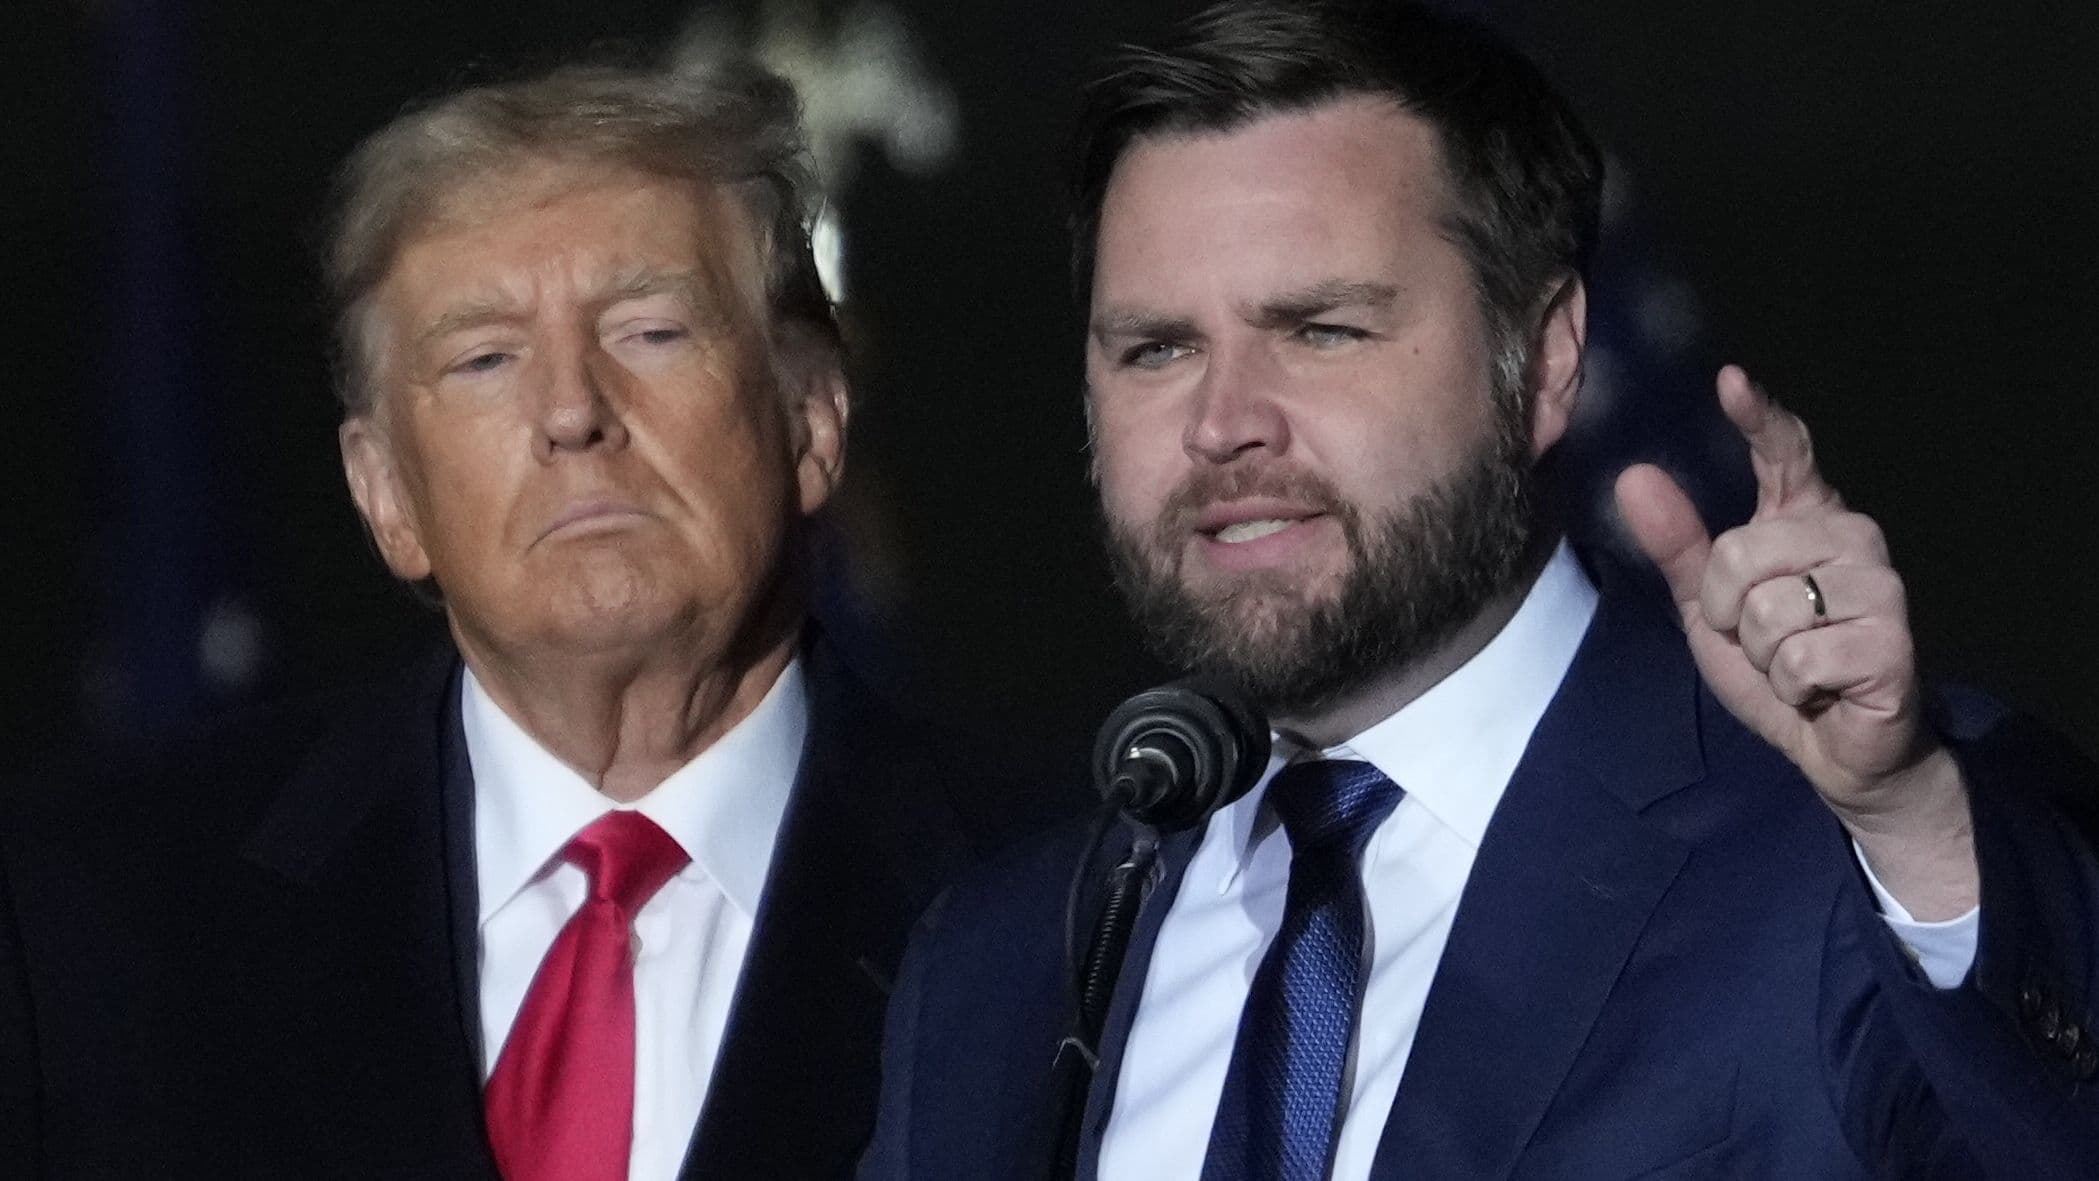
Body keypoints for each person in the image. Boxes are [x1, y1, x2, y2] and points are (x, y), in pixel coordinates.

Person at [861, 2, 2099, 1177]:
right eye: (1156, 349)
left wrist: (1915, 830)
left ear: (1547, 358)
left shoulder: (1864, 847)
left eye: (1319, 329)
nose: (1222, 424)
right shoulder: (996, 970)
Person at [0, 60, 1033, 1179]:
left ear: (812, 420)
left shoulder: (1062, 909)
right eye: (485, 357)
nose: (573, 412)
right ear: (387, 494)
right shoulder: (90, 912)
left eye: (650, 330)